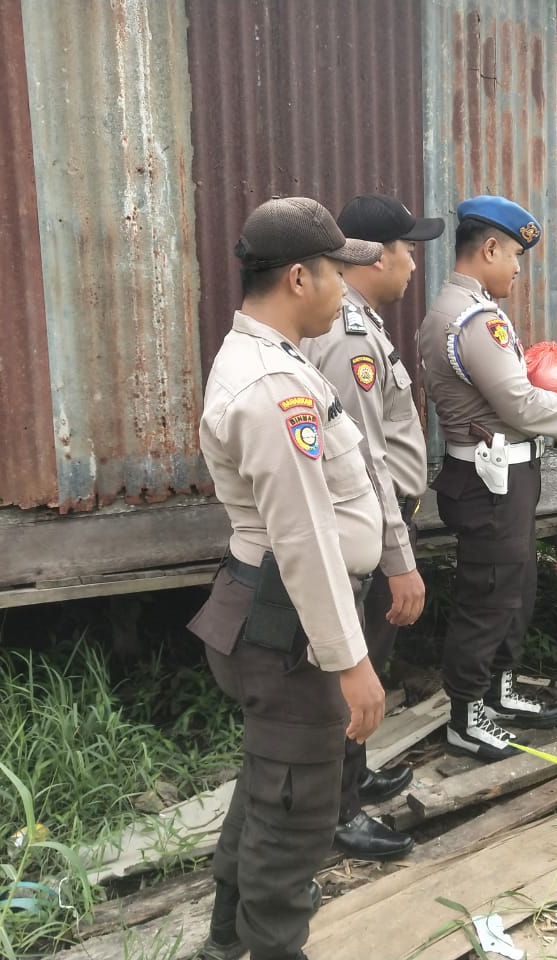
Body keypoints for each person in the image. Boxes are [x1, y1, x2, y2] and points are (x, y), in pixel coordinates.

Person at [188, 197, 389, 960]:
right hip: (290, 627)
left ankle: (224, 944)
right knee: (295, 807)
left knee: (270, 784)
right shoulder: (273, 386)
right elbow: (302, 540)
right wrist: (352, 662)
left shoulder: (277, 359)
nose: (347, 287)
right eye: (339, 271)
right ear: (300, 276)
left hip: (278, 611)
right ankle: (269, 946)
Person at [420, 195, 557, 762]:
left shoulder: (460, 310)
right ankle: (466, 717)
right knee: (490, 595)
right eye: (515, 256)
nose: (519, 269)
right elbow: (519, 404)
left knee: (514, 588)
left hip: (496, 474)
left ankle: (496, 692)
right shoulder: (473, 318)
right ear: (491, 248)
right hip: (489, 477)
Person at [302, 193, 444, 861]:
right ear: (376, 255)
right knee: (351, 670)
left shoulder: (359, 324)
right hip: (368, 525)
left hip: (378, 520)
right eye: (408, 249)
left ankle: (352, 778)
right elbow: (365, 458)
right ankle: (337, 812)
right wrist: (397, 554)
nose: (414, 263)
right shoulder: (349, 336)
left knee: (369, 663)